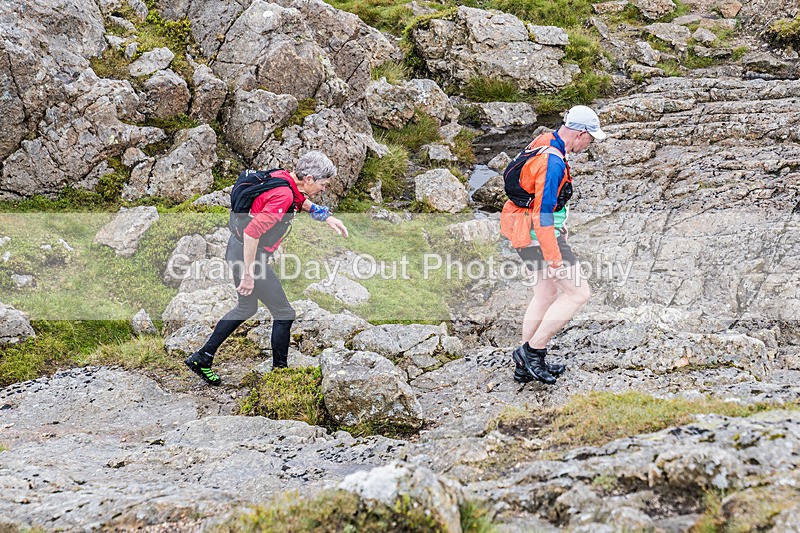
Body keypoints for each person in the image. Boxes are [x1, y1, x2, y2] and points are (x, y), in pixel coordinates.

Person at [185, 151, 348, 385]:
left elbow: (298, 200)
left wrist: (326, 216)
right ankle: (279, 375)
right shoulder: (283, 195)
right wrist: (249, 274)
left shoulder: (284, 178)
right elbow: (253, 232)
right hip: (250, 258)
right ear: (309, 179)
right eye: (323, 184)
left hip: (236, 249)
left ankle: (202, 357)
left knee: (246, 308)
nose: (324, 189)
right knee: (284, 314)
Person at [500, 105, 606, 385]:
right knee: (579, 293)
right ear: (580, 134)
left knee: (545, 293)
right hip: (539, 236)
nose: (590, 143)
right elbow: (543, 215)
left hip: (522, 232)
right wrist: (555, 259)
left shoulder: (545, 141)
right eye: (591, 138)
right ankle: (533, 351)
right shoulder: (554, 162)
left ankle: (524, 365)